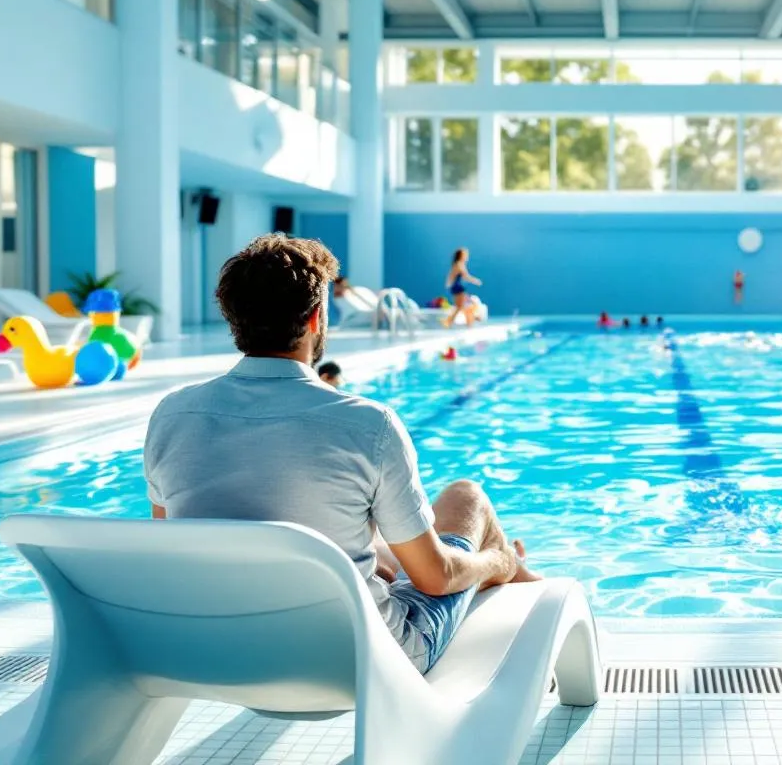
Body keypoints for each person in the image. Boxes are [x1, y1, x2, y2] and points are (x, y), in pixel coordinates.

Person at [145, 234, 537, 675]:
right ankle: (526, 576)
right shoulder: (369, 425)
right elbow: (436, 578)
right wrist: (496, 562)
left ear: (234, 320)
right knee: (468, 499)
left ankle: (509, 572)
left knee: (381, 549)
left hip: (224, 654)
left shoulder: (171, 415)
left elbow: (174, 547)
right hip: (360, 660)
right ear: (315, 319)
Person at [443, 248, 483, 329]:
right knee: (461, 307)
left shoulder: (457, 264)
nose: (466, 256)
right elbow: (466, 277)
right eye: (465, 254)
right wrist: (476, 281)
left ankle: (469, 323)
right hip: (458, 288)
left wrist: (448, 284)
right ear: (461, 255)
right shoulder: (459, 264)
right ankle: (448, 322)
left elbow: (451, 276)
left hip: (456, 287)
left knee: (463, 306)